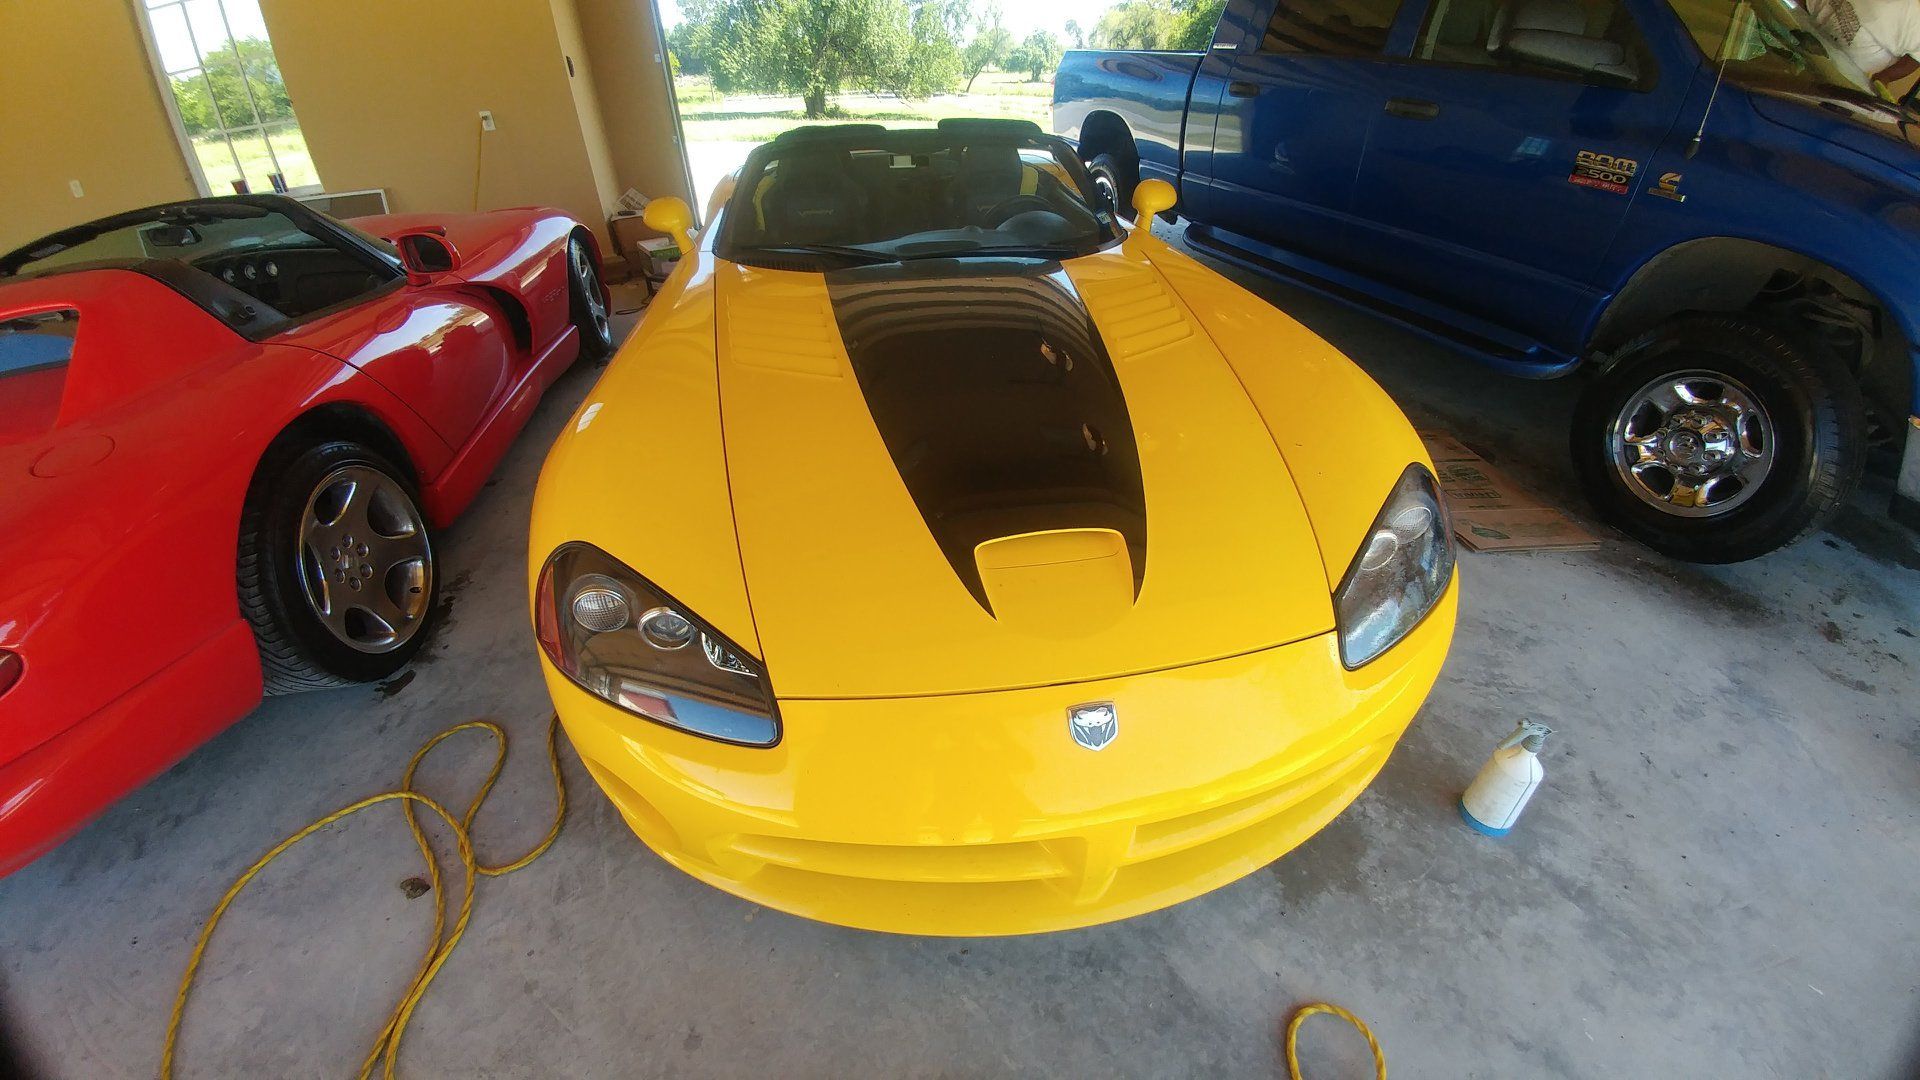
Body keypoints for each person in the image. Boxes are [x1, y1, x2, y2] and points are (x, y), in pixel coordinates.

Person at [1807, 0, 1920, 87]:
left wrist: (1885, 77)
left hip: (1838, 79)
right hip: (1806, 35)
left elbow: (1915, 59)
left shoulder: (1914, 17)